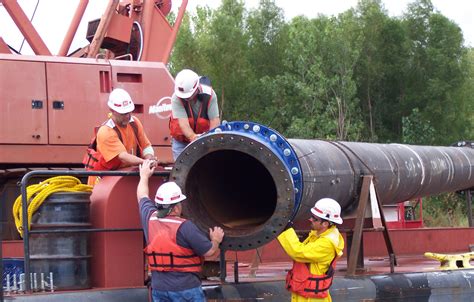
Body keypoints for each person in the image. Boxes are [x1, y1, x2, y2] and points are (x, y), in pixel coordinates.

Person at [137, 159, 224, 301]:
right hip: (186, 290)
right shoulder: (185, 227)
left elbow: (142, 195)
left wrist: (144, 176)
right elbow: (210, 253)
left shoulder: (149, 219)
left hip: (159, 289)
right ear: (176, 207)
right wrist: (215, 240)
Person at [278, 198, 345, 302]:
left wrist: (286, 230)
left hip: (312, 298)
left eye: (315, 218)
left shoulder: (326, 243)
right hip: (305, 293)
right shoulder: (319, 235)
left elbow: (298, 252)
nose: (310, 220)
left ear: (325, 224)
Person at [86, 88, 157, 184]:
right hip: (104, 179)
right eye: (123, 113)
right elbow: (123, 156)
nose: (128, 116)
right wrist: (145, 163)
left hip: (124, 174)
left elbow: (146, 146)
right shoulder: (106, 131)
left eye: (129, 112)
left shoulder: (134, 122)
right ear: (112, 110)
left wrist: (149, 157)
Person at [169, 69, 220, 160]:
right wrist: (193, 137)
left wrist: (211, 141)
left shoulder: (210, 95)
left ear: (196, 88)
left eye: (188, 96)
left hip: (205, 140)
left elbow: (214, 121)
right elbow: (183, 124)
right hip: (181, 142)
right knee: (181, 169)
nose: (186, 98)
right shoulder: (176, 98)